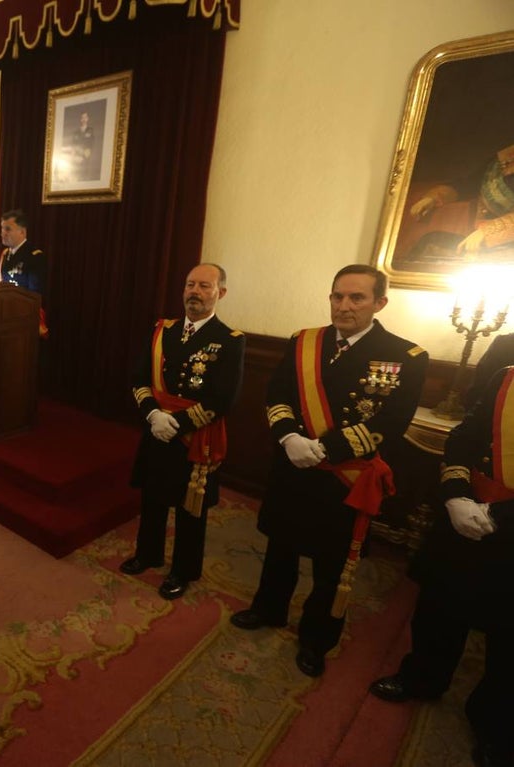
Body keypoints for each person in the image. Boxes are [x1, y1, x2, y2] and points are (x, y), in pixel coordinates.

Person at [230, 265, 428, 678]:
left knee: (331, 563)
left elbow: (390, 423)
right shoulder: (305, 342)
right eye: (337, 296)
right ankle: (269, 609)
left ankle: (317, 638)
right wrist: (288, 438)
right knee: (281, 546)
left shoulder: (405, 355)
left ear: (380, 303)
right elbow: (278, 393)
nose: (344, 306)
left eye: (356, 298)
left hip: (344, 475)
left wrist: (324, 448)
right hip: (293, 463)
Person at [368, 364, 513, 767]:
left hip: (508, 528)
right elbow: (464, 439)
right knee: (438, 607)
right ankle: (422, 677)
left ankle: (494, 724)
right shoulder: (507, 376)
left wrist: (499, 517)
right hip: (466, 515)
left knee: (508, 637)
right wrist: (455, 496)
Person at [119, 264, 245, 600]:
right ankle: (148, 553)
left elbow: (224, 398)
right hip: (156, 427)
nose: (195, 292)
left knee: (191, 508)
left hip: (194, 435)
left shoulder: (230, 341)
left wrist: (177, 423)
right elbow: (140, 378)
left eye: (205, 286)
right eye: (190, 284)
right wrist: (153, 416)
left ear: (221, 293)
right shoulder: (164, 330)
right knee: (153, 495)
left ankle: (183, 570)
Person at [0, 209, 46, 293]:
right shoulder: (5, 254)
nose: (3, 233)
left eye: (8, 229)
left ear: (22, 232)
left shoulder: (34, 256)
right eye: (2, 228)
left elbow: (34, 293)